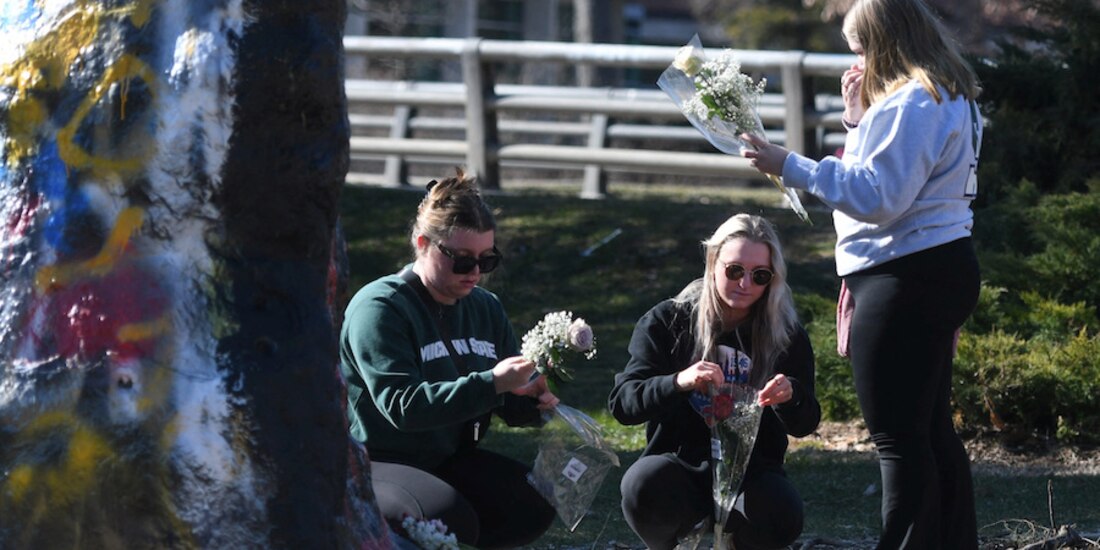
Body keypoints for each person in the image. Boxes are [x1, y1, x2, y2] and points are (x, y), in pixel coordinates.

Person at [741, 0, 983, 548]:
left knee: (898, 440)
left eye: (860, 48)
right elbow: (892, 173)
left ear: (887, 43)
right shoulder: (947, 94)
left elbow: (879, 196)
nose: (855, 60)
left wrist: (791, 165)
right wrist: (855, 121)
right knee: (931, 432)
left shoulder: (912, 101)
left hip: (904, 275)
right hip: (936, 265)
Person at [339, 168, 558, 549]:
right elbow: (402, 407)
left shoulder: (485, 307)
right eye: (461, 260)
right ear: (424, 243)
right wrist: (492, 383)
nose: (474, 273)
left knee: (533, 503)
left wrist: (532, 400)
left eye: (486, 260)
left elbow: (504, 402)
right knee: (449, 517)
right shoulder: (380, 307)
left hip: (449, 456)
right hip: (376, 460)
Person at [609, 213, 820, 550]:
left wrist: (790, 397)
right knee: (642, 485)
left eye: (760, 275)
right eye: (734, 270)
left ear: (773, 279)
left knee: (783, 511)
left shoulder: (786, 334)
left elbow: (806, 422)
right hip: (679, 465)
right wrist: (678, 381)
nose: (745, 283)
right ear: (712, 263)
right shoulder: (669, 320)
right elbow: (623, 403)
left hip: (753, 475)